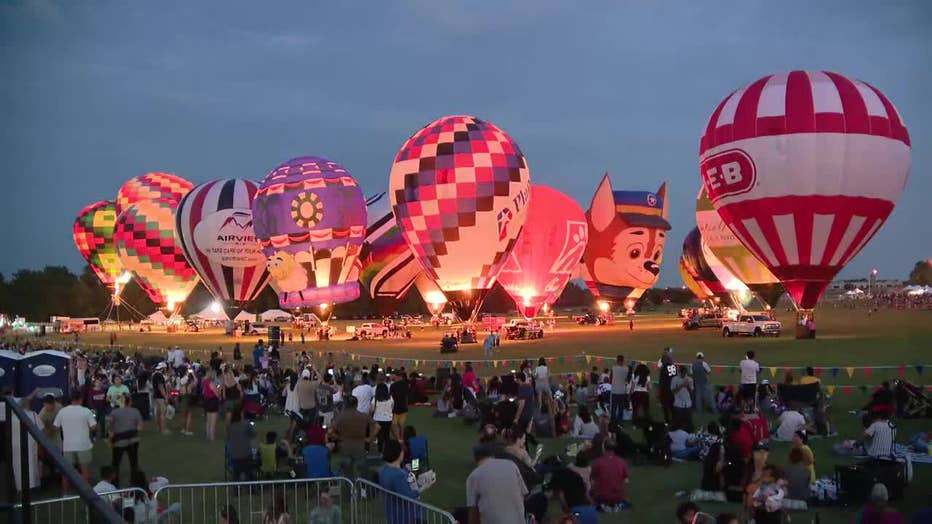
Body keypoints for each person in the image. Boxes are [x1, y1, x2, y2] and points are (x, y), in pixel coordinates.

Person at [466, 443, 528, 524]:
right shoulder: (511, 465)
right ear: (492, 455)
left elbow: (473, 514)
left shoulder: (473, 476)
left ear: (476, 459)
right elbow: (523, 494)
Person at [54, 389, 97, 491]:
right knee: (85, 470)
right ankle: (86, 492)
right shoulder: (86, 411)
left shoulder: (62, 411)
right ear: (80, 399)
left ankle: (65, 493)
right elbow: (93, 427)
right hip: (83, 445)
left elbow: (55, 427)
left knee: (67, 471)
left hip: (68, 446)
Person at [329, 396, 378, 479]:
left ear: (345, 405)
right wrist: (370, 438)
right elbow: (377, 427)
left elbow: (330, 432)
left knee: (348, 473)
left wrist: (338, 437)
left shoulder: (340, 417)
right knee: (363, 471)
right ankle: (364, 486)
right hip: (359, 446)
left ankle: (350, 485)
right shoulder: (363, 416)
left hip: (345, 447)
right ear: (356, 405)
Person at [378, 439, 424, 524]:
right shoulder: (398, 475)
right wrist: (422, 488)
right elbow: (407, 497)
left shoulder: (382, 469)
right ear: (399, 453)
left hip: (391, 513)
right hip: (405, 516)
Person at [108, 393, 143, 486]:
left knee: (115, 464)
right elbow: (140, 427)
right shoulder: (135, 411)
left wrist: (110, 441)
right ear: (130, 402)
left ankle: (115, 485)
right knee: (134, 463)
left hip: (119, 442)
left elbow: (110, 429)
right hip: (133, 441)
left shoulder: (114, 413)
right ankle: (135, 484)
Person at [590, 439, 630, 511]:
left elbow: (592, 481)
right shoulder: (622, 461)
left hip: (602, 497)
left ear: (604, 448)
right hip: (618, 497)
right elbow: (626, 480)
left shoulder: (597, 462)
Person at [227, 410, 256, 481]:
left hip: (234, 455)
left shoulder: (230, 426)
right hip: (246, 454)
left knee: (236, 472)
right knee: (249, 470)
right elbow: (253, 434)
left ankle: (236, 484)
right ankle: (250, 483)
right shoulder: (246, 424)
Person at [671, 365, 694, 432]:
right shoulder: (674, 379)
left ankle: (689, 433)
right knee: (677, 421)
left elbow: (692, 392)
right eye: (682, 373)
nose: (684, 374)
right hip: (678, 404)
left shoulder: (689, 379)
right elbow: (673, 391)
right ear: (679, 372)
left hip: (688, 404)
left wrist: (688, 387)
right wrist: (682, 385)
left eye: (685, 373)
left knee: (688, 421)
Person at [373, 382, 394, 453]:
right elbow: (392, 407)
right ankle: (388, 451)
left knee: (380, 437)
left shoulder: (375, 399)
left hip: (378, 419)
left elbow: (372, 409)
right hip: (388, 419)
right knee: (387, 435)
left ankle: (380, 451)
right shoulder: (390, 398)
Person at [202, 369, 222, 441]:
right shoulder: (211, 383)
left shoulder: (205, 382)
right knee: (213, 421)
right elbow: (217, 394)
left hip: (207, 401)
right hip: (213, 402)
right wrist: (219, 389)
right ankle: (212, 437)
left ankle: (208, 434)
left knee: (208, 420)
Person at [659, 347, 677, 423]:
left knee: (665, 405)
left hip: (666, 389)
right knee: (672, 405)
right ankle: (675, 419)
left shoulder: (663, 369)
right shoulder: (674, 366)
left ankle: (667, 420)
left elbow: (662, 381)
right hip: (673, 389)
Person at [389, 371, 409, 441]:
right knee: (402, 424)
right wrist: (406, 406)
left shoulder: (393, 385)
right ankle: (402, 437)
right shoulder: (406, 384)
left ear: (397, 376)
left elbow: (391, 398)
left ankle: (398, 438)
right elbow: (406, 397)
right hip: (404, 407)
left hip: (395, 408)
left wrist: (390, 408)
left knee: (394, 424)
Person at [151, 362, 170, 435]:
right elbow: (161, 387)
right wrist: (165, 397)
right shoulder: (159, 375)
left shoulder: (154, 374)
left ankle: (159, 428)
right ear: (163, 368)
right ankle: (163, 430)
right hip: (160, 396)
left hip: (156, 395)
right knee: (163, 413)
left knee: (158, 413)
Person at [610, 355, 629, 423]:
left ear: (617, 360)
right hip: (622, 391)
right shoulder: (626, 368)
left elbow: (611, 377)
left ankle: (613, 422)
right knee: (621, 408)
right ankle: (619, 422)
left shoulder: (613, 368)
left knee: (614, 408)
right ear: (623, 360)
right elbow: (626, 378)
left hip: (615, 390)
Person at [177, 368, 197, 436]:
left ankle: (183, 429)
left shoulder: (181, 379)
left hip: (183, 398)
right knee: (189, 415)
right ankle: (187, 430)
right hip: (188, 397)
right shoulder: (189, 380)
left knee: (183, 415)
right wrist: (193, 374)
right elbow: (195, 383)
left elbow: (178, 389)